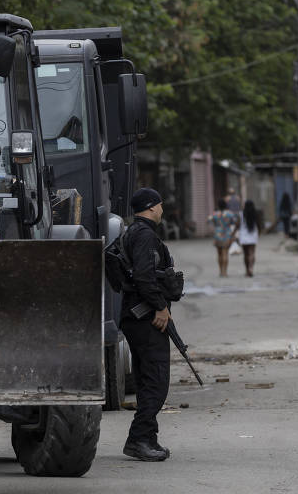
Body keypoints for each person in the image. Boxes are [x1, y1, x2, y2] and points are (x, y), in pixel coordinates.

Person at [117, 188, 173, 462]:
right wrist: (160, 307)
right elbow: (144, 276)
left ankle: (148, 437)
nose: (162, 210)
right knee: (157, 380)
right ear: (152, 207)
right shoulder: (145, 235)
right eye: (160, 205)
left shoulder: (133, 232)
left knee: (146, 379)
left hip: (136, 316)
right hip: (145, 316)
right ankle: (139, 438)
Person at [208, 199, 238, 277]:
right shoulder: (230, 214)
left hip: (217, 234)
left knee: (219, 254)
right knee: (225, 253)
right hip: (227, 234)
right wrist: (233, 232)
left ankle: (220, 271)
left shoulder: (215, 214)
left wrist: (214, 227)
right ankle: (225, 272)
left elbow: (209, 221)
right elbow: (235, 222)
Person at [239, 200, 262, 277]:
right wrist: (259, 233)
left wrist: (233, 234)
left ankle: (246, 270)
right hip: (253, 235)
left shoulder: (241, 214)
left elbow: (237, 225)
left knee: (245, 254)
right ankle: (251, 268)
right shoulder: (256, 214)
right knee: (252, 253)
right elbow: (259, 225)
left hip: (243, 236)